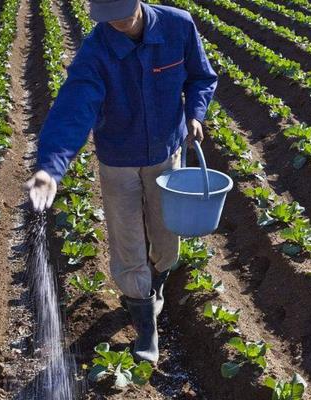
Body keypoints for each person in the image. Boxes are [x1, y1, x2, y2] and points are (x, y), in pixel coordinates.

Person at [25, 0, 217, 363]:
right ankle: (145, 322)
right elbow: (73, 109)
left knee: (166, 235)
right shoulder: (96, 51)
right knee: (127, 241)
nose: (116, 23)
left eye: (123, 14)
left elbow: (201, 76)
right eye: (107, 16)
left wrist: (195, 113)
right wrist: (50, 168)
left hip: (166, 153)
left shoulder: (178, 26)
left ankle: (158, 280)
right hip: (119, 160)